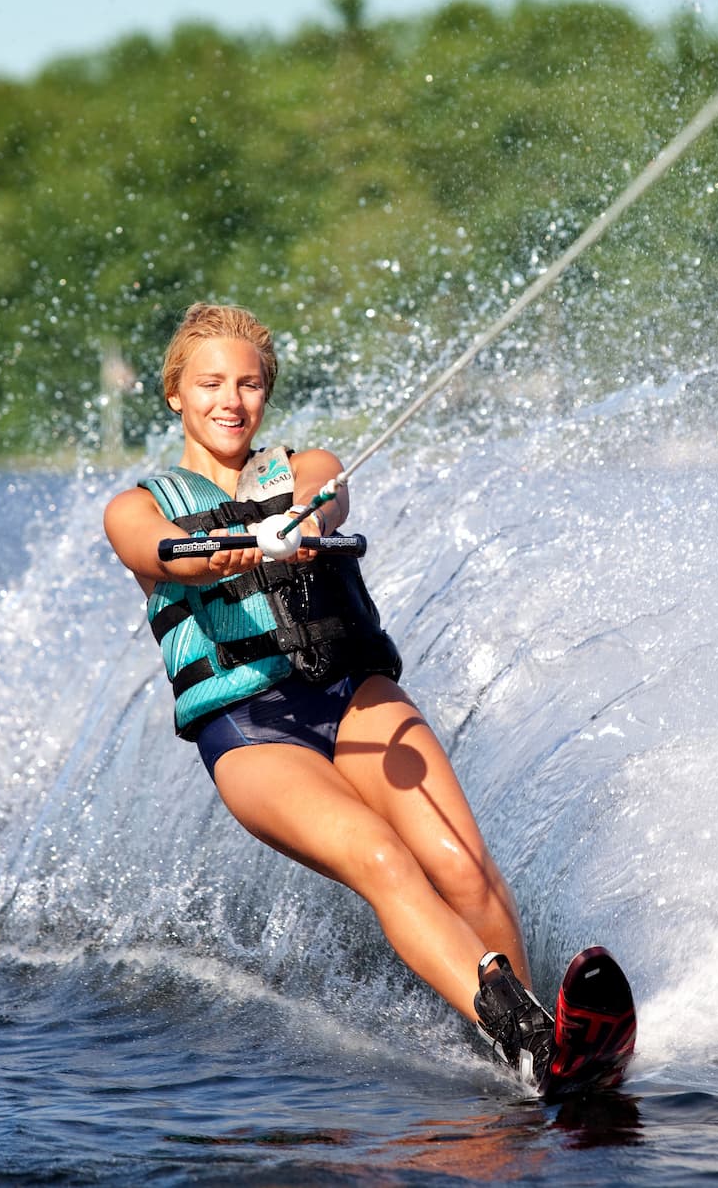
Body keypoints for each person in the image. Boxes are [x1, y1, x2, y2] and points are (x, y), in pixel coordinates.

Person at [102, 302, 556, 1082]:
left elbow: (326, 494)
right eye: (210, 382)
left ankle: (540, 1040)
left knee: (461, 864)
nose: (230, 400)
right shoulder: (136, 507)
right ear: (175, 393)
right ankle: (522, 1037)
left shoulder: (305, 469)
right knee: (382, 855)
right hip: (250, 727)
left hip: (351, 693)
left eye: (248, 384)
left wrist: (293, 517)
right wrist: (241, 547)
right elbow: (165, 556)